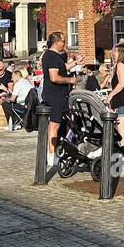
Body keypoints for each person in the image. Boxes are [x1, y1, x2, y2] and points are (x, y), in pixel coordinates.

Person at [41, 32, 78, 170]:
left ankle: (57, 151)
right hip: (54, 96)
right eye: (63, 41)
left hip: (60, 96)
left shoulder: (55, 57)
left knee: (62, 124)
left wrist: (75, 63)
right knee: (54, 125)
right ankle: (51, 156)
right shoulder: (50, 56)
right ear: (57, 42)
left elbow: (62, 68)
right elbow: (54, 77)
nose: (65, 43)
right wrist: (70, 80)